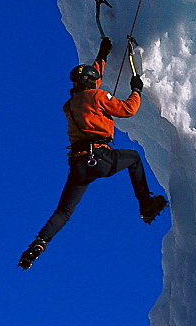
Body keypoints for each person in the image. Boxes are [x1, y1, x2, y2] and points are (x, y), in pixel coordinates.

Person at [18, 37, 168, 269]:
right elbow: (128, 109)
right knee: (134, 158)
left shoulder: (71, 104)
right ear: (91, 82)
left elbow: (91, 85)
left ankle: (40, 242)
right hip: (99, 157)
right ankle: (145, 204)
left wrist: (102, 55)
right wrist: (136, 90)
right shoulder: (97, 97)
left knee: (64, 211)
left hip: (79, 164)